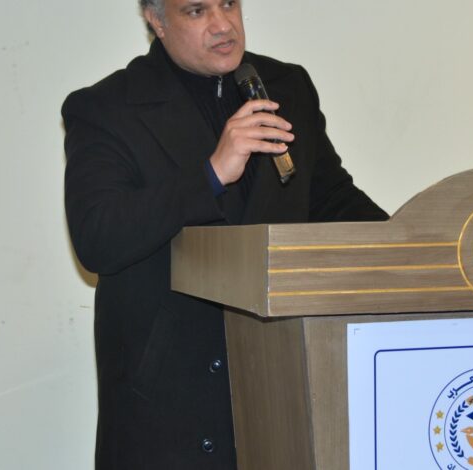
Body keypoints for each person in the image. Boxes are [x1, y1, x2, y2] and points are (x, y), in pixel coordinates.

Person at [62, 0, 387, 468]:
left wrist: (415, 243)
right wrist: (211, 174)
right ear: (156, 21)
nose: (222, 25)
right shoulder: (107, 107)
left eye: (228, 3)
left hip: (280, 386)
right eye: (196, 11)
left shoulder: (286, 86)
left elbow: (331, 200)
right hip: (171, 405)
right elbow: (97, 238)